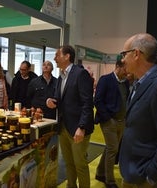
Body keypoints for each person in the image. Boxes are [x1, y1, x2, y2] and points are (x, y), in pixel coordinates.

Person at [119, 33, 157, 188]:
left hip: (145, 176)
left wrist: (151, 177)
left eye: (124, 54)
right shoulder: (139, 82)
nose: (122, 60)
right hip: (132, 170)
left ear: (136, 54)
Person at [46, 45, 94, 188]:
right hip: (64, 127)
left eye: (57, 55)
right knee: (68, 163)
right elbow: (60, 99)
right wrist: (50, 101)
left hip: (78, 128)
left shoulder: (80, 74)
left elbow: (87, 103)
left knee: (80, 164)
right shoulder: (61, 76)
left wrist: (82, 127)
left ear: (67, 56)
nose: (54, 58)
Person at [94, 59, 129, 188]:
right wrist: (107, 118)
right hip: (109, 121)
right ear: (118, 67)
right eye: (125, 69)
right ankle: (110, 180)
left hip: (122, 121)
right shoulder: (105, 79)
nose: (127, 72)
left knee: (111, 147)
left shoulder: (125, 83)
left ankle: (100, 172)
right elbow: (97, 100)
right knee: (113, 149)